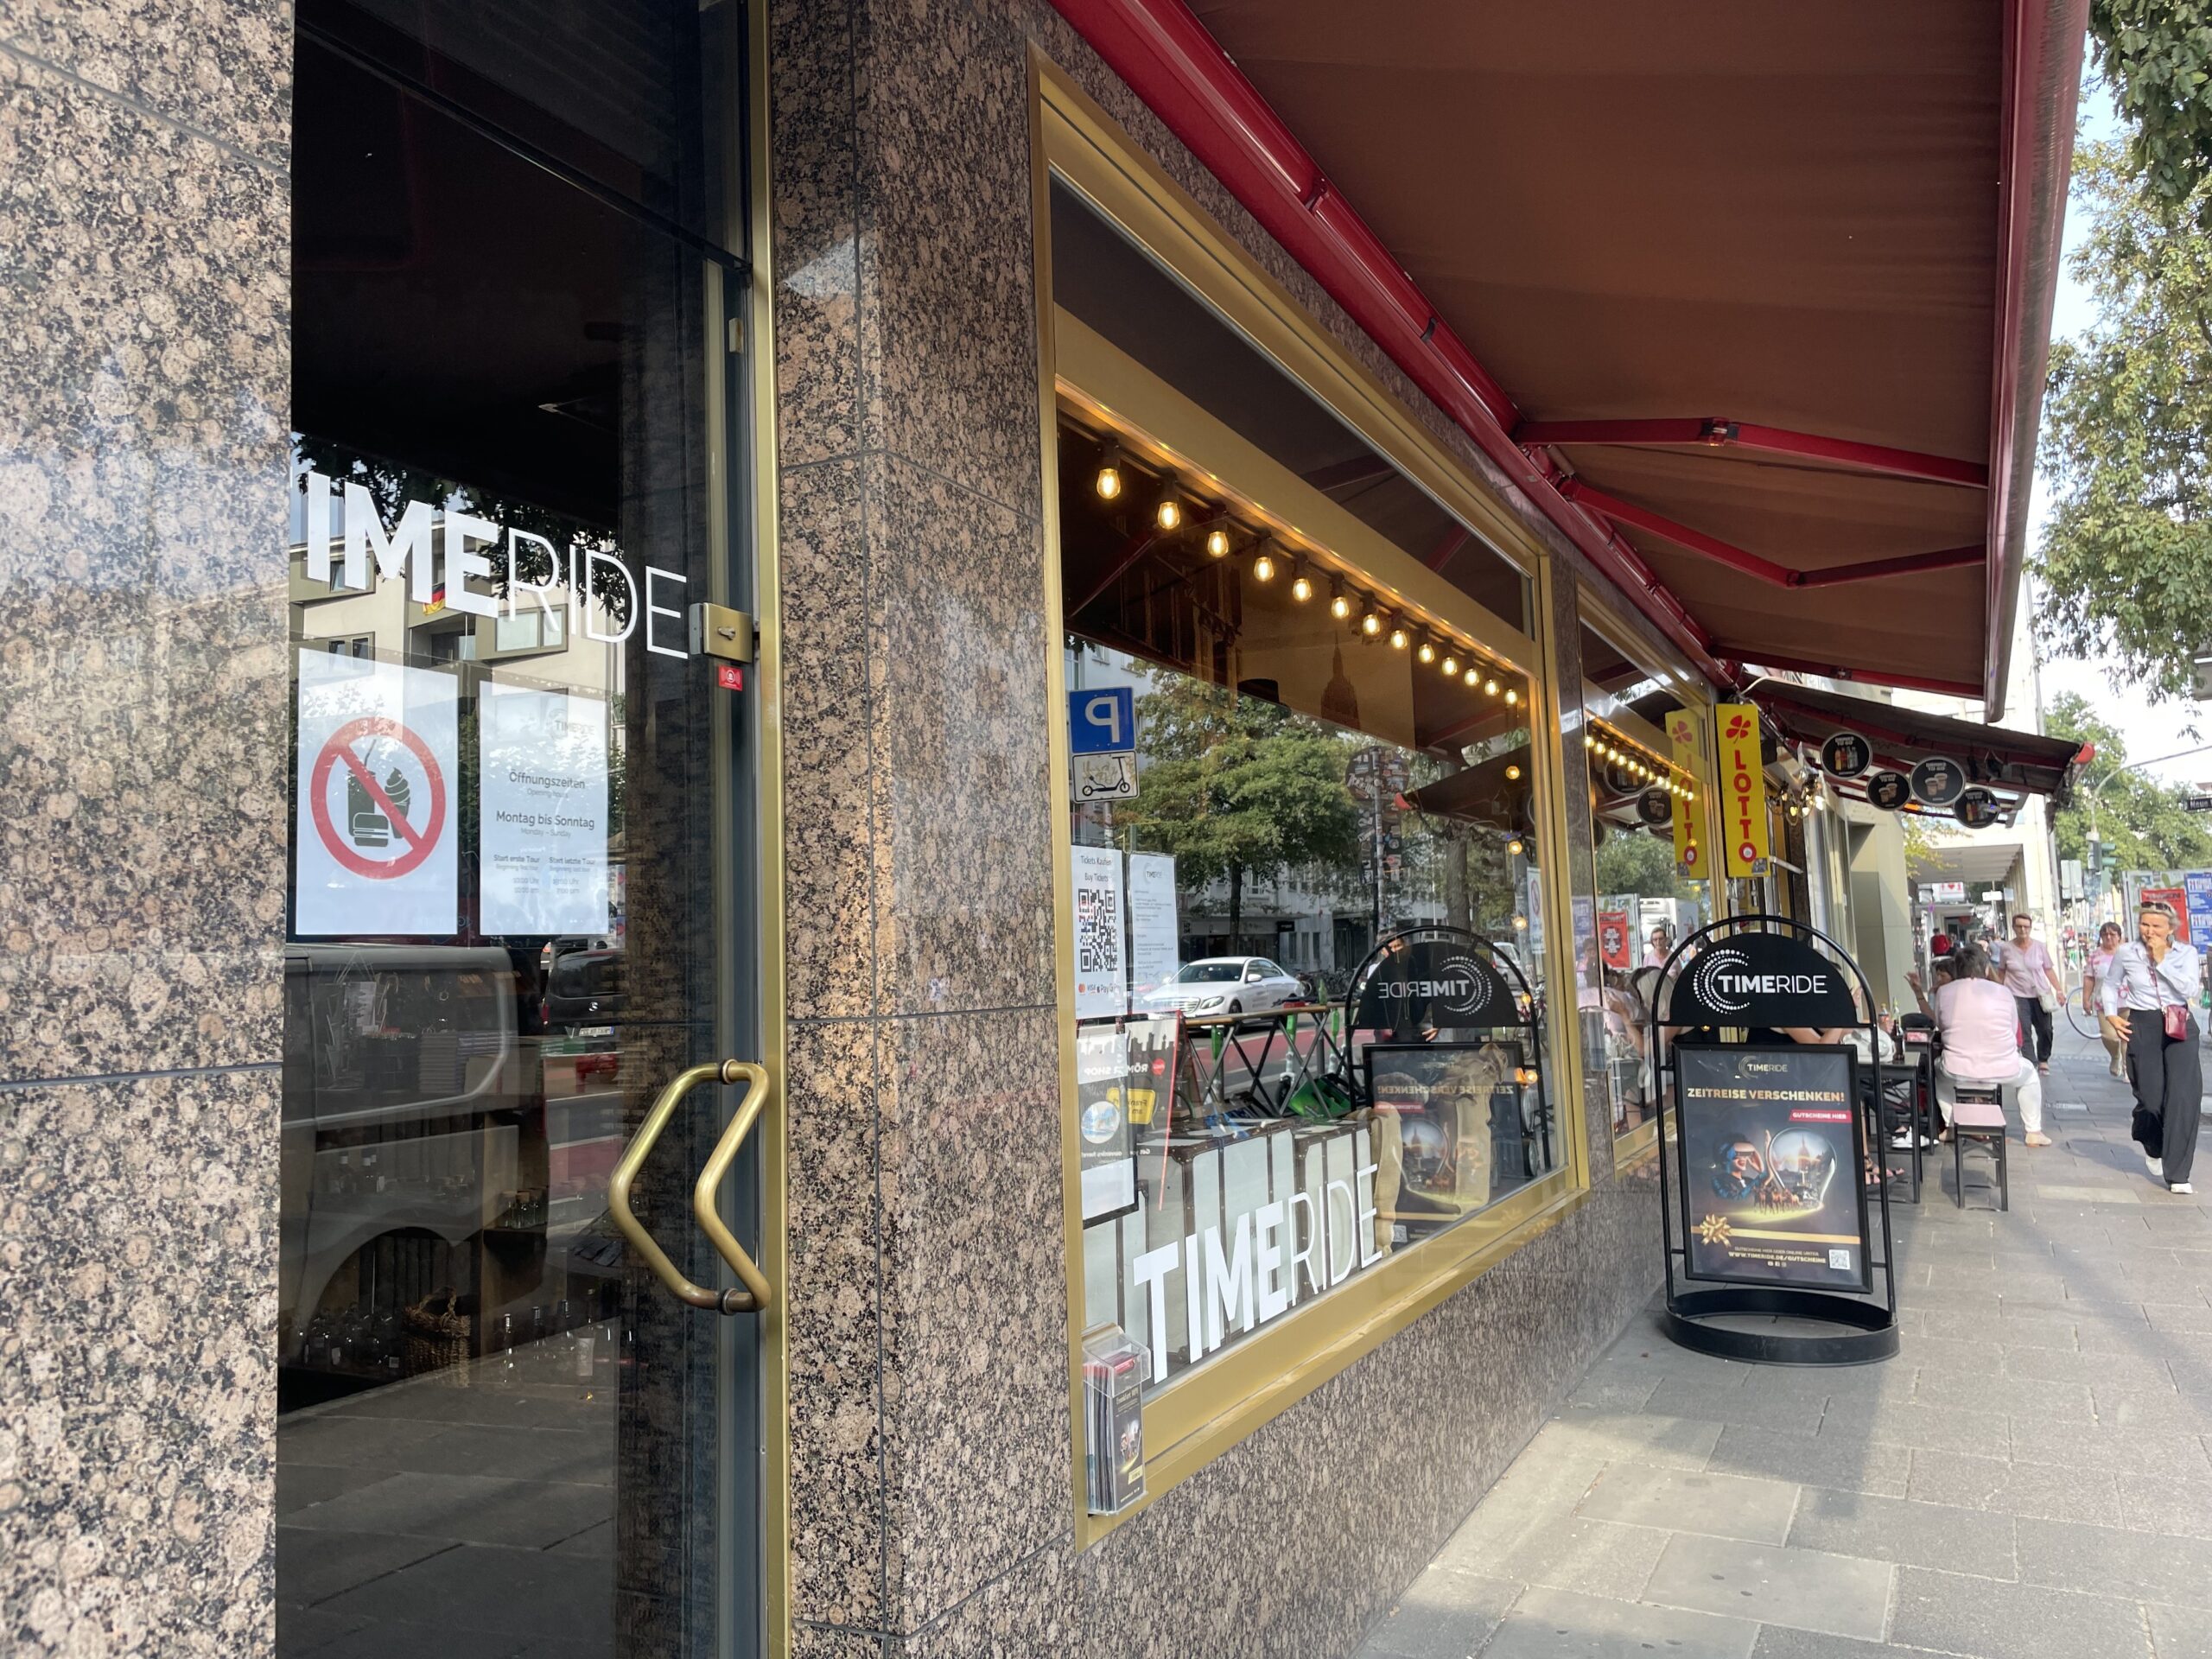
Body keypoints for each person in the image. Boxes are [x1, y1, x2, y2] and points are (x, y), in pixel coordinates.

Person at [2101, 899, 2206, 1193]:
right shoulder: (2127, 952)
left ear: (2171, 928)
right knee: (2150, 1097)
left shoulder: (2186, 953)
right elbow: (2110, 984)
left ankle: (2179, 1174)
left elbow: (2190, 989)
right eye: (2144, 924)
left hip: (2179, 1022)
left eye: (2157, 926)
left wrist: (2162, 961)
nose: (2149, 931)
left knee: (2183, 1097)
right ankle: (2152, 1141)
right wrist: (2111, 1014)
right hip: (2143, 1023)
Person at [1904, 944, 2050, 1148]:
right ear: (1987, 969)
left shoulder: (1944, 992)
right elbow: (2011, 1028)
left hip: (1957, 1069)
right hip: (2003, 1067)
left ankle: (1951, 1126)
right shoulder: (2004, 992)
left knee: (1938, 1072)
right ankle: (2033, 1131)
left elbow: (1942, 1026)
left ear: (1957, 969)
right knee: (2030, 1076)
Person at [1994, 912, 2064, 1073]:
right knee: (2024, 1030)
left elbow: (2048, 969)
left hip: (2040, 994)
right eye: (2019, 926)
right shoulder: (2006, 948)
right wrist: (1999, 993)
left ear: (2030, 928)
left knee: (2046, 1030)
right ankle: (2031, 1062)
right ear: (2013, 928)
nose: (2023, 930)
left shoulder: (2039, 947)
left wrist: (2059, 990)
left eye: (2026, 927)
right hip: (2017, 995)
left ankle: (2043, 1058)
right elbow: (2002, 971)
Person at [2082, 920, 2127, 1080]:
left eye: (2112, 934)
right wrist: (2086, 999)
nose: (2109, 937)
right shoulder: (2095, 955)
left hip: (2127, 1002)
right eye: (2105, 934)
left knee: (2126, 1037)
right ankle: (2115, 1055)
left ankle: (2127, 1069)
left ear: (2119, 936)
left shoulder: (2127, 952)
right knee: (2110, 1036)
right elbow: (2089, 978)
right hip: (2104, 1003)